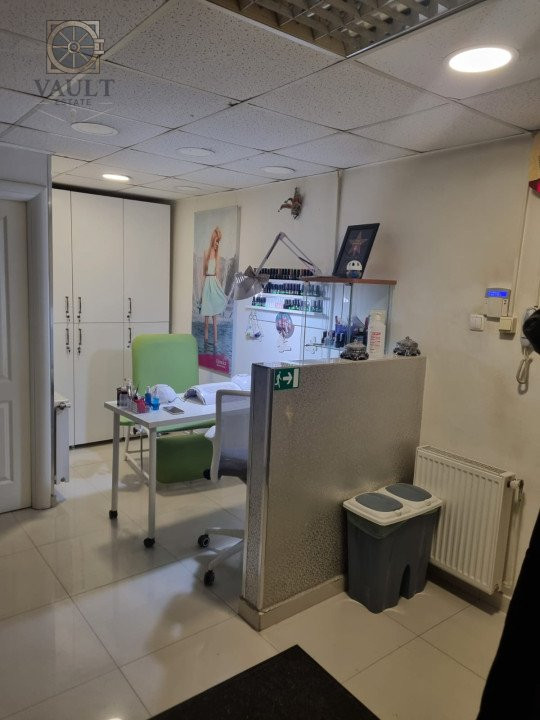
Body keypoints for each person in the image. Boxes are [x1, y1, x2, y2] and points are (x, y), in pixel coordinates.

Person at [201, 226, 227, 346]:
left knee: (215, 319)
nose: (217, 243)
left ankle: (215, 343)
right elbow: (203, 273)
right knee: (206, 321)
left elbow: (218, 274)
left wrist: (220, 289)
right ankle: (206, 343)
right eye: (216, 240)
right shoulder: (206, 253)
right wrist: (202, 292)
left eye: (219, 241)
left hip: (214, 283)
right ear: (213, 239)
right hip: (207, 284)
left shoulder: (217, 255)